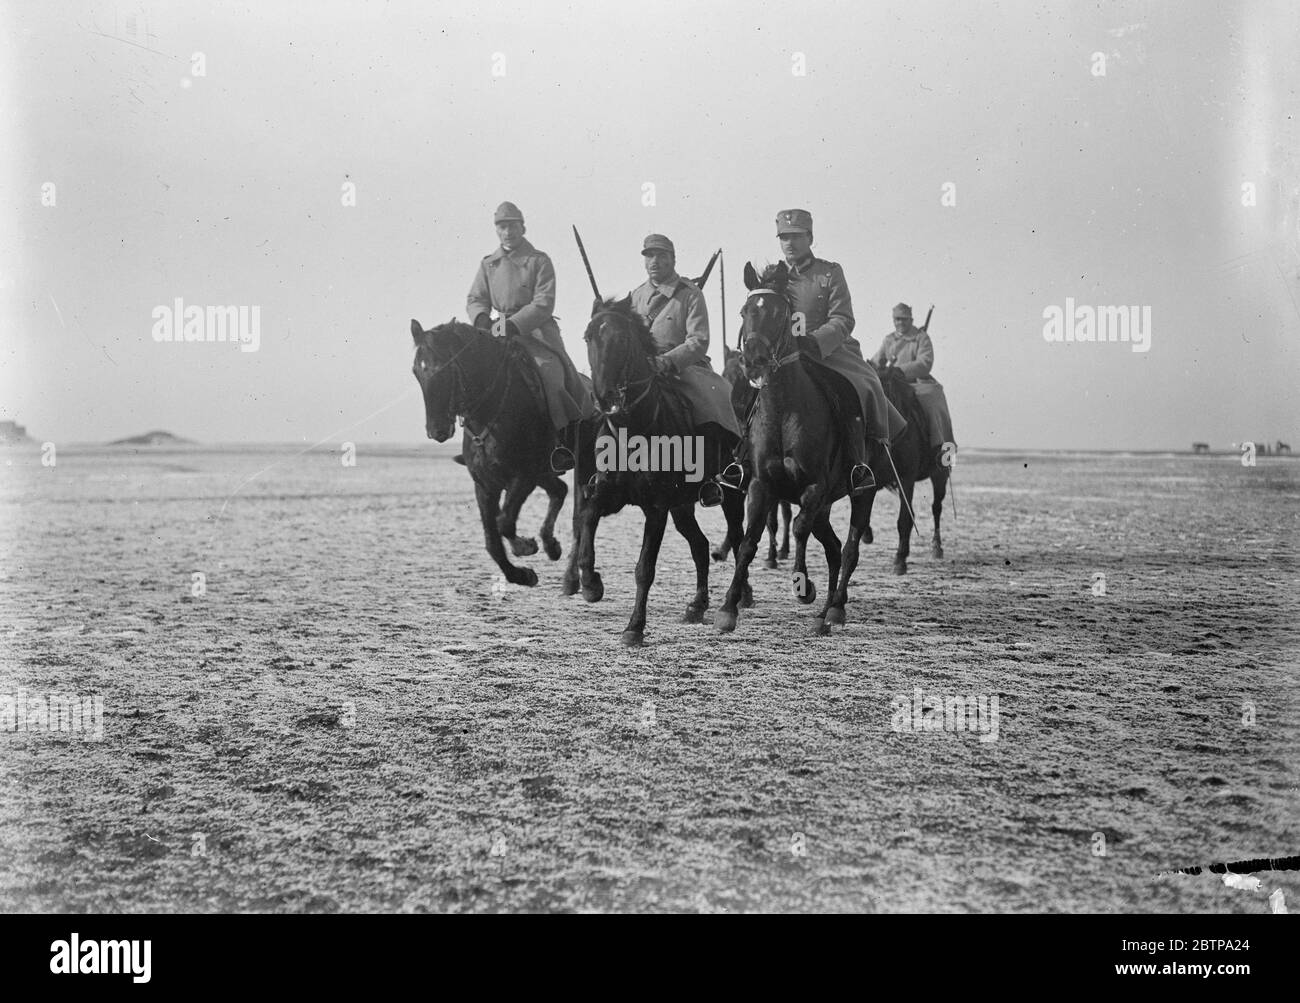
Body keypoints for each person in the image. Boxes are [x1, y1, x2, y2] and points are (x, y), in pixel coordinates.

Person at [766, 208, 907, 494]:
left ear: (810, 238)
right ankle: (741, 462)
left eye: (796, 236)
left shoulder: (829, 273)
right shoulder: (774, 278)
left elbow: (843, 318)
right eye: (784, 237)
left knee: (861, 388)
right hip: (784, 356)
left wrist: (815, 341)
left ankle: (858, 464)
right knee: (750, 393)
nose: (789, 243)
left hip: (829, 352)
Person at [462, 201, 596, 470]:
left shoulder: (539, 261)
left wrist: (513, 325)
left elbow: (544, 302)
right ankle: (476, 443)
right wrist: (480, 320)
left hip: (536, 332)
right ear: (496, 231)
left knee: (550, 374)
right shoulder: (488, 264)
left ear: (522, 227)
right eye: (502, 226)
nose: (507, 231)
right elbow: (477, 297)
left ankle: (560, 442)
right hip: (496, 331)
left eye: (512, 225)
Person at [628, 234, 741, 504]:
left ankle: (716, 473)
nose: (655, 261)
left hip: (683, 367)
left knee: (711, 403)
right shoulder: (635, 297)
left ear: (672, 259)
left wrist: (667, 361)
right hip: (643, 371)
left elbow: (698, 341)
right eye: (649, 256)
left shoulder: (690, 294)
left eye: (661, 256)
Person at [872, 303, 955, 464]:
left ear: (911, 320)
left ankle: (944, 453)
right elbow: (876, 360)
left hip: (918, 383)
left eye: (903, 319)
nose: (900, 323)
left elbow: (925, 363)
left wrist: (899, 370)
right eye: (897, 319)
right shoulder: (889, 340)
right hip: (894, 384)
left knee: (934, 403)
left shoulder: (921, 338)